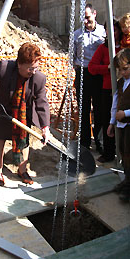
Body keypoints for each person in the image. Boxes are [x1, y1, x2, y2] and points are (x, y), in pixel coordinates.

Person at [0, 42, 50, 186]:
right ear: (19, 64)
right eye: (30, 68)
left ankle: (22, 170)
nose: (33, 71)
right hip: (1, 111)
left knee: (23, 140)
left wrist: (45, 127)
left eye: (36, 67)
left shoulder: (39, 78)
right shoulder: (4, 67)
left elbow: (42, 103)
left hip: (23, 113)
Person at [88, 19, 123, 163]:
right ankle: (108, 152)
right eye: (109, 30)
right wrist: (107, 68)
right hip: (107, 89)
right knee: (106, 119)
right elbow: (91, 67)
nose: (112, 33)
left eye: (114, 30)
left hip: (124, 89)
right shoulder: (103, 48)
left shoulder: (125, 47)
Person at [74, 3, 106, 152]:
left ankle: (100, 142)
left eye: (87, 18)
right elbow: (71, 56)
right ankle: (85, 143)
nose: (86, 22)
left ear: (94, 14)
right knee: (84, 109)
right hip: (83, 73)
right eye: (83, 19)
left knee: (100, 108)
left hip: (99, 75)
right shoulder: (77, 34)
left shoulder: (103, 32)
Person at [107, 48, 130, 203]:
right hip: (122, 125)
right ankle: (127, 180)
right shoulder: (121, 83)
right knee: (124, 152)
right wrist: (112, 122)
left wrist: (126, 114)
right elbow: (115, 103)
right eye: (120, 70)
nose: (123, 72)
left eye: (125, 69)